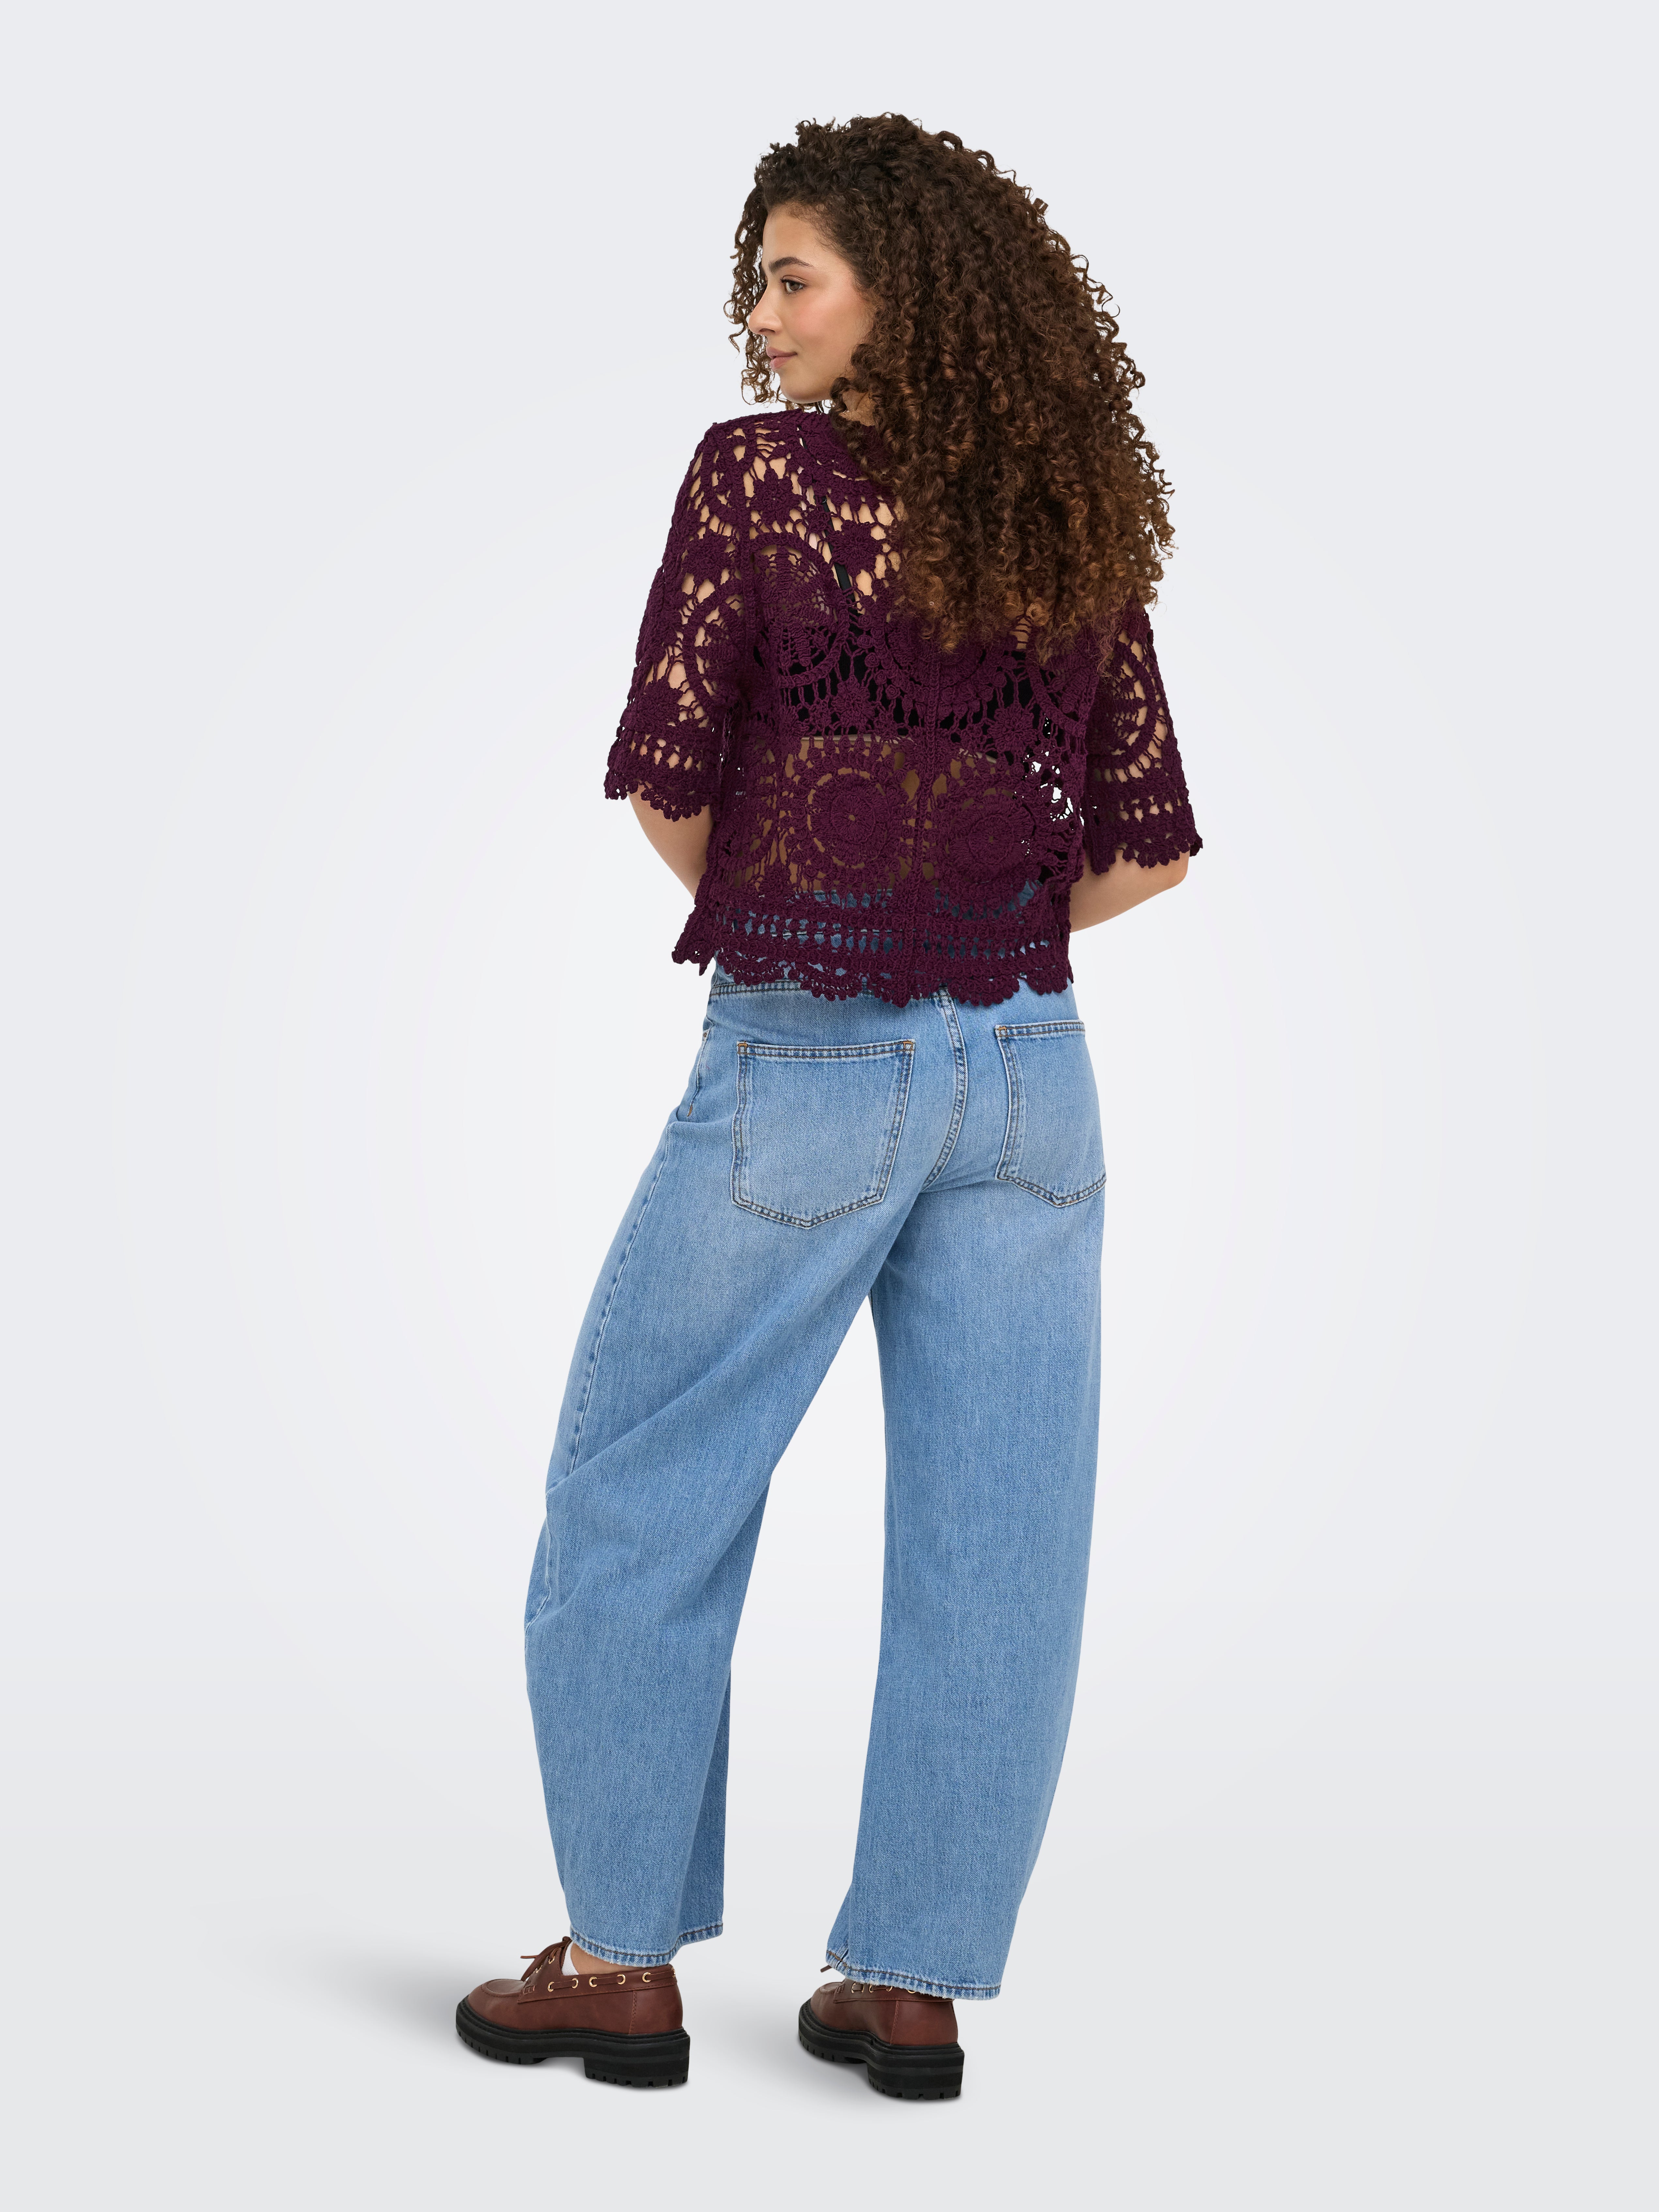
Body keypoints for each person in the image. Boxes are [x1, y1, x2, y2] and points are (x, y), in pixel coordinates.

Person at [456, 114, 1201, 2098]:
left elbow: (666, 779)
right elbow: (1146, 849)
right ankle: (911, 1987)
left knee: (642, 1489)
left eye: (792, 279)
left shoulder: (761, 484)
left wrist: (825, 924)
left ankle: (620, 1963)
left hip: (807, 1054)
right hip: (1033, 1080)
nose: (762, 322)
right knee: (1001, 1539)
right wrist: (975, 930)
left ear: (901, 289)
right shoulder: (1062, 508)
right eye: (758, 287)